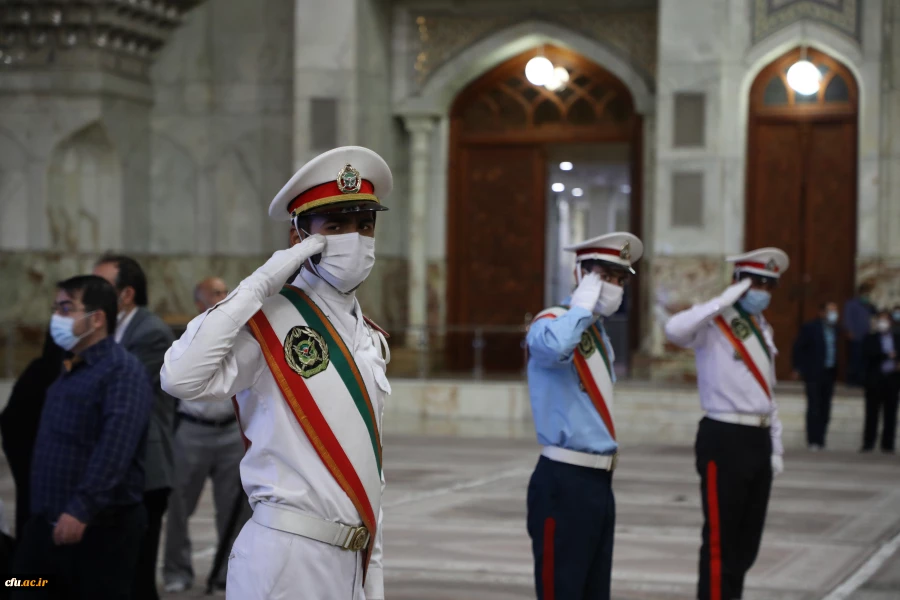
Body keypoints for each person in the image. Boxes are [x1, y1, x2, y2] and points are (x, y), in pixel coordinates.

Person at [161, 146, 392, 600]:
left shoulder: (370, 337)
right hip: (286, 554)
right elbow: (180, 378)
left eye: (365, 225)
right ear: (300, 239)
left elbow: (369, 472)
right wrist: (263, 282)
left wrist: (373, 575)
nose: (356, 240)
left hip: (354, 553)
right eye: (336, 226)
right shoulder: (266, 323)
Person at [11, 275, 154, 600]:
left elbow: (114, 450)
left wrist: (81, 509)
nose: (56, 318)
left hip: (97, 528)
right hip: (47, 523)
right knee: (19, 586)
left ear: (97, 318)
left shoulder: (122, 372)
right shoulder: (72, 365)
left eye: (66, 308)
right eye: (55, 309)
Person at [665, 248, 788, 600]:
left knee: (747, 542)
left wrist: (775, 447)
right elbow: (674, 329)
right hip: (725, 436)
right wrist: (722, 301)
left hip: (757, 438)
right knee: (721, 539)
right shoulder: (713, 325)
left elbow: (768, 393)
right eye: (756, 283)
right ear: (739, 284)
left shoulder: (763, 329)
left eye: (768, 284)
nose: (763, 291)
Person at [526, 232, 642, 600]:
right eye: (605, 276)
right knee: (562, 590)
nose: (614, 287)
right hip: (564, 481)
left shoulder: (598, 333)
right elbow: (557, 347)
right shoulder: (550, 323)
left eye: (620, 279)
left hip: (599, 482)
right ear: (582, 275)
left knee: (595, 592)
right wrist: (581, 305)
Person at [93, 255, 176, 600]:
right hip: (113, 466)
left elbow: (121, 390)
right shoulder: (106, 329)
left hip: (145, 470)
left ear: (125, 294)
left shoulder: (150, 331)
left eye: (98, 287)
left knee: (138, 576)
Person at [163, 277, 248, 593]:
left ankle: (226, 574)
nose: (223, 297)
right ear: (199, 303)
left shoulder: (241, 334)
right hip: (191, 432)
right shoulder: (190, 334)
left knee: (234, 509)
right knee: (178, 506)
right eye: (215, 293)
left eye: (226, 292)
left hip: (229, 433)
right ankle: (176, 572)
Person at [0, 330, 64, 540]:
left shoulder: (37, 369)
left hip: (29, 466)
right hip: (44, 471)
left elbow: (9, 421)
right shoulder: (61, 373)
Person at [792, 302, 839, 450]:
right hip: (813, 373)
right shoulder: (810, 328)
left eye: (835, 311)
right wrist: (797, 368)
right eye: (830, 311)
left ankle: (821, 439)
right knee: (814, 406)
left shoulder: (836, 330)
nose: (833, 314)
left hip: (829, 372)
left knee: (826, 407)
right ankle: (812, 440)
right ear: (822, 312)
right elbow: (798, 347)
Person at [861, 310, 900, 453]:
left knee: (890, 413)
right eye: (880, 320)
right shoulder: (870, 338)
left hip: (892, 380)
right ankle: (868, 443)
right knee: (872, 413)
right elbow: (868, 354)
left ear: (890, 322)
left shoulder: (897, 338)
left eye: (885, 320)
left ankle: (888, 445)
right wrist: (886, 355)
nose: (882, 323)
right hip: (874, 380)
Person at [843, 281, 877, 386]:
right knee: (855, 359)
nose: (866, 295)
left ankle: (862, 380)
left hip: (867, 337)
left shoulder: (868, 305)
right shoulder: (851, 304)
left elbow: (875, 315)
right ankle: (852, 380)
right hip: (855, 336)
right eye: (865, 292)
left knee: (865, 360)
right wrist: (849, 330)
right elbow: (847, 318)